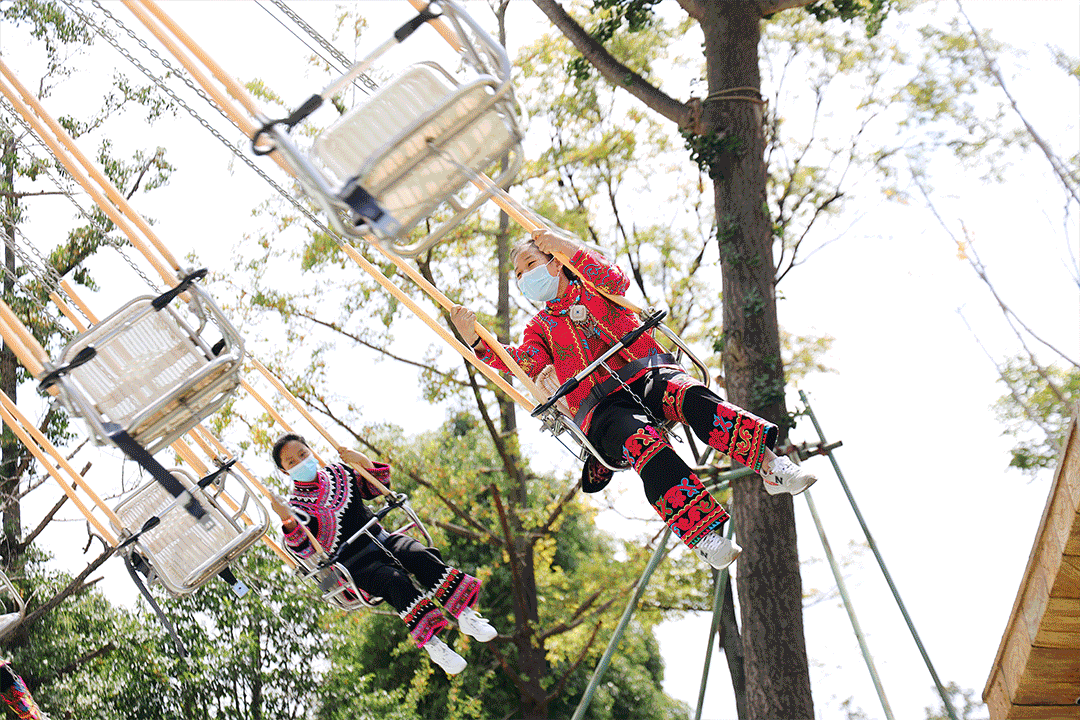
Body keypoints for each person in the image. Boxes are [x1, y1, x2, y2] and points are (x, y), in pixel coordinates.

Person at [450, 229, 817, 570]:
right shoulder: (539, 328)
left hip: (645, 371)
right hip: (601, 406)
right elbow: (524, 363)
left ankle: (769, 464)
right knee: (641, 443)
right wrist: (478, 342)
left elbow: (614, 278)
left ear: (554, 262)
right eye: (517, 275)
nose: (523, 278)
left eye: (529, 265)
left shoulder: (596, 288)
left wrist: (563, 244)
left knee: (689, 396)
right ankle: (701, 533)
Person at [268, 433, 496, 675]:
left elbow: (377, 487)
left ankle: (466, 614)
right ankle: (434, 645)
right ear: (285, 472)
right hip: (357, 565)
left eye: (303, 454)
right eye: (292, 462)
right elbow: (303, 549)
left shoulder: (338, 473)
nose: (301, 462)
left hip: (383, 539)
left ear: (311, 451)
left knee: (419, 555)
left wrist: (362, 461)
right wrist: (286, 519)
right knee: (395, 581)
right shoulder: (296, 507)